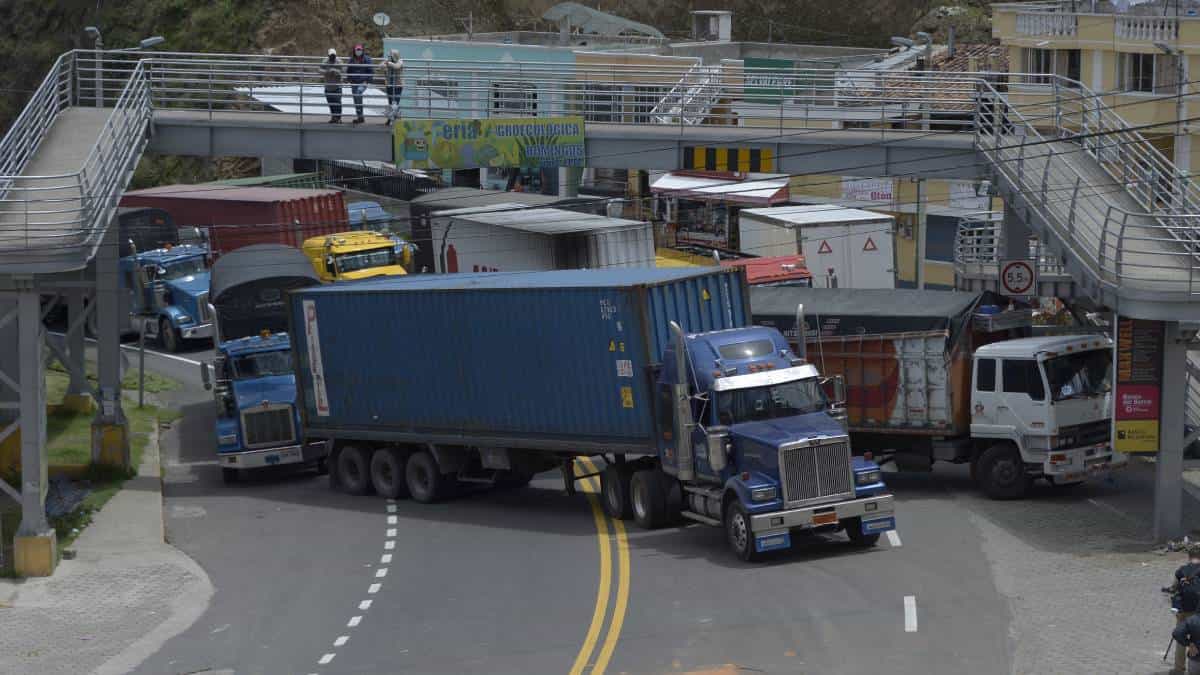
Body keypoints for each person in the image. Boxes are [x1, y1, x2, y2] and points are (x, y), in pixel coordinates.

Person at [1171, 547, 1200, 672]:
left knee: (1181, 637)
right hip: (1197, 612)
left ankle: (1179, 668)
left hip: (1183, 610)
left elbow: (1174, 588)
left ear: (1189, 557)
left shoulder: (1181, 571)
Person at [346, 44, 373, 124]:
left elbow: (371, 71)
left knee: (358, 93)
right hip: (354, 82)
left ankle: (360, 116)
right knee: (356, 100)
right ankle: (360, 117)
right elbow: (348, 70)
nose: (358, 51)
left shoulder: (367, 59)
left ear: (362, 50)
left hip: (363, 82)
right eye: (357, 50)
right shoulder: (351, 59)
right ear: (354, 51)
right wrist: (349, 80)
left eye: (360, 50)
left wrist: (367, 81)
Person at [321, 48, 342, 124]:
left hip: (337, 86)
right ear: (328, 55)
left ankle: (338, 118)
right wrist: (327, 72)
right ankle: (333, 117)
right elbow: (319, 70)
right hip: (328, 86)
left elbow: (343, 71)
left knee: (338, 103)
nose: (332, 57)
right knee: (331, 104)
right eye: (331, 55)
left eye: (334, 55)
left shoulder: (339, 61)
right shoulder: (324, 61)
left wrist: (336, 71)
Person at [384, 49, 404, 125]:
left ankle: (397, 120)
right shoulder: (388, 61)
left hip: (397, 86)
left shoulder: (400, 61)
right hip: (389, 85)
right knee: (390, 103)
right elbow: (381, 66)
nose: (390, 57)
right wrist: (385, 63)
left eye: (391, 55)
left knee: (395, 103)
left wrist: (388, 63)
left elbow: (397, 66)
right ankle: (389, 119)